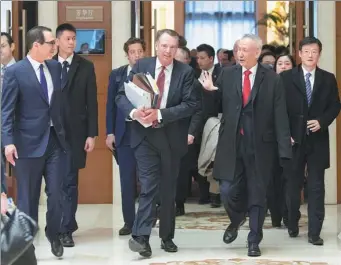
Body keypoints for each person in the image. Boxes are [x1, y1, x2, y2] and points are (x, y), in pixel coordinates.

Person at [200, 34, 292, 257]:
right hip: (232, 143)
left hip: (261, 146)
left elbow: (280, 115)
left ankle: (254, 240)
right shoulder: (227, 74)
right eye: (238, 49)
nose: (240, 53)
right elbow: (214, 107)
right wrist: (210, 90)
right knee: (226, 190)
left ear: (257, 53)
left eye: (245, 50)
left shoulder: (271, 79)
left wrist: (284, 150)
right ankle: (237, 218)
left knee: (258, 195)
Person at [116, 29, 198, 258]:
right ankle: (141, 237)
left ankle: (166, 236)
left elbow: (191, 104)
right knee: (149, 185)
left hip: (171, 138)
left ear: (177, 49)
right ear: (156, 46)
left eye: (172, 47)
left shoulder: (185, 72)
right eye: (164, 46)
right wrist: (134, 112)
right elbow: (121, 95)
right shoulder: (142, 65)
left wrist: (159, 114)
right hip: (144, 137)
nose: (168, 51)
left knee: (168, 190)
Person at [1, 26, 67, 258]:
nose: (54, 46)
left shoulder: (56, 67)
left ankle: (54, 233)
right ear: (36, 45)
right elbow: (6, 111)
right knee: (28, 198)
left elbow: (58, 105)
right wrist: (8, 142)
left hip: (55, 142)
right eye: (50, 43)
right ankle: (26, 247)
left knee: (58, 193)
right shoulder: (15, 72)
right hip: (26, 144)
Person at [281, 37, 341, 245]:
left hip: (317, 139)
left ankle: (315, 232)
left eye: (314, 51)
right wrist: (285, 132)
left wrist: (322, 121)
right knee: (292, 185)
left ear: (319, 54)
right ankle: (292, 221)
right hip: (293, 139)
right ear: (299, 53)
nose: (310, 55)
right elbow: (279, 109)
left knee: (316, 187)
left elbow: (335, 105)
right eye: (306, 51)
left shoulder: (328, 78)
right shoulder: (286, 78)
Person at [53, 23, 98, 247]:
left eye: (74, 38)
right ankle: (57, 223)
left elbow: (92, 102)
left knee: (70, 182)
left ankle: (66, 229)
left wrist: (92, 134)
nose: (72, 42)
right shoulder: (47, 64)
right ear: (58, 41)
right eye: (68, 38)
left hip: (75, 135)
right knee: (53, 184)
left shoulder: (86, 66)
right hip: (50, 135)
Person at [106, 37, 146, 235]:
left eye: (140, 51)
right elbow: (110, 106)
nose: (136, 55)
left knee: (148, 180)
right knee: (127, 181)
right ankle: (129, 222)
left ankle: (146, 221)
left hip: (147, 134)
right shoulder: (117, 75)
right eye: (133, 52)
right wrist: (110, 132)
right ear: (127, 54)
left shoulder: (152, 73)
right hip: (123, 135)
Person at [174, 46, 202, 216]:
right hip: (165, 130)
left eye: (178, 59)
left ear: (187, 61)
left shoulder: (192, 79)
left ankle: (179, 202)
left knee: (182, 170)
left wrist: (191, 132)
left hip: (185, 132)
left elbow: (198, 109)